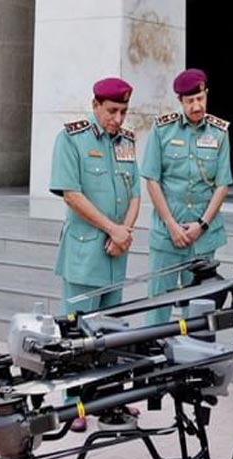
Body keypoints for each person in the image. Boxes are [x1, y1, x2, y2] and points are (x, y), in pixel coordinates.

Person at [50, 77, 141, 432]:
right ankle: (75, 404)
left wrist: (125, 231)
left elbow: (135, 194)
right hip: (85, 253)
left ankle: (109, 397)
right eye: (112, 111)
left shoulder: (127, 142)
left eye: (123, 112)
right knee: (77, 333)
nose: (117, 119)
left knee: (111, 331)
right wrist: (112, 230)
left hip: (115, 254)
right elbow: (71, 194)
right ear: (95, 106)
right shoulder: (72, 139)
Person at [141, 69, 233, 326]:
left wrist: (201, 225)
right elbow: (152, 180)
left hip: (203, 237)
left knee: (200, 310)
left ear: (206, 94)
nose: (196, 106)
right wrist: (171, 225)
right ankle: (154, 348)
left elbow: (222, 185)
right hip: (167, 235)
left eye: (200, 99)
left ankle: (196, 351)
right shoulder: (162, 130)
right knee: (158, 305)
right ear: (180, 101)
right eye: (190, 101)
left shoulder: (219, 132)